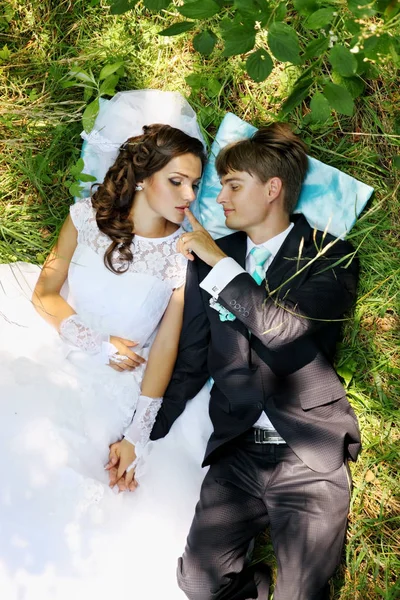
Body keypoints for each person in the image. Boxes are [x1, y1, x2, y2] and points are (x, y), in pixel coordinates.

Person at [144, 123, 361, 600]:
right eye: (221, 186)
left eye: (233, 185)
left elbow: (288, 333)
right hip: (239, 452)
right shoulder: (212, 259)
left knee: (301, 595)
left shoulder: (330, 254)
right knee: (198, 585)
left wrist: (220, 266)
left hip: (309, 453)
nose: (220, 198)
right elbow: (194, 357)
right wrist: (144, 433)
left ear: (272, 188)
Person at [0, 123, 213, 599]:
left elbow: (165, 348)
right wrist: (95, 343)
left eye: (196, 185)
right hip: (56, 350)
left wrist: (138, 433)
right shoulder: (82, 218)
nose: (189, 195)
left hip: (118, 387)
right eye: (177, 181)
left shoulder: (181, 254)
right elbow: (44, 293)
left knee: (77, 469)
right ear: (143, 177)